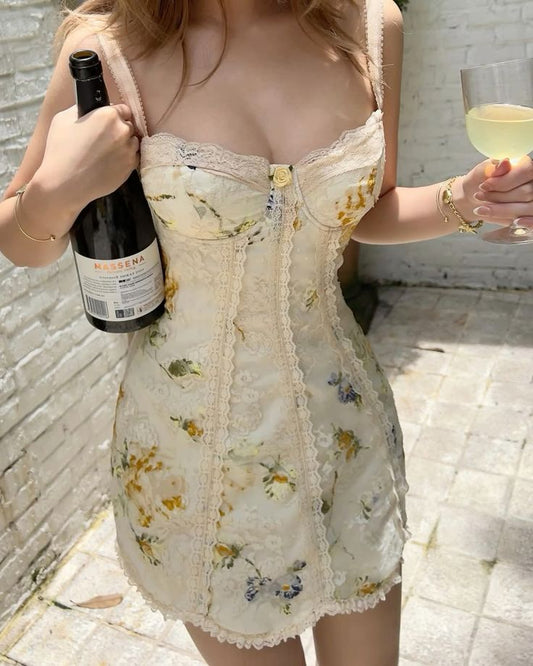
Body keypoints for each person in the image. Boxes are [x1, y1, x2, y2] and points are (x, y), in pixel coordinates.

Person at [1, 1, 532, 664]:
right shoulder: (110, 49)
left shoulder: (369, 24)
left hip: (345, 437)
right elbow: (20, 239)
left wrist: (467, 197)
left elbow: (369, 211)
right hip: (191, 457)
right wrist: (59, 188)